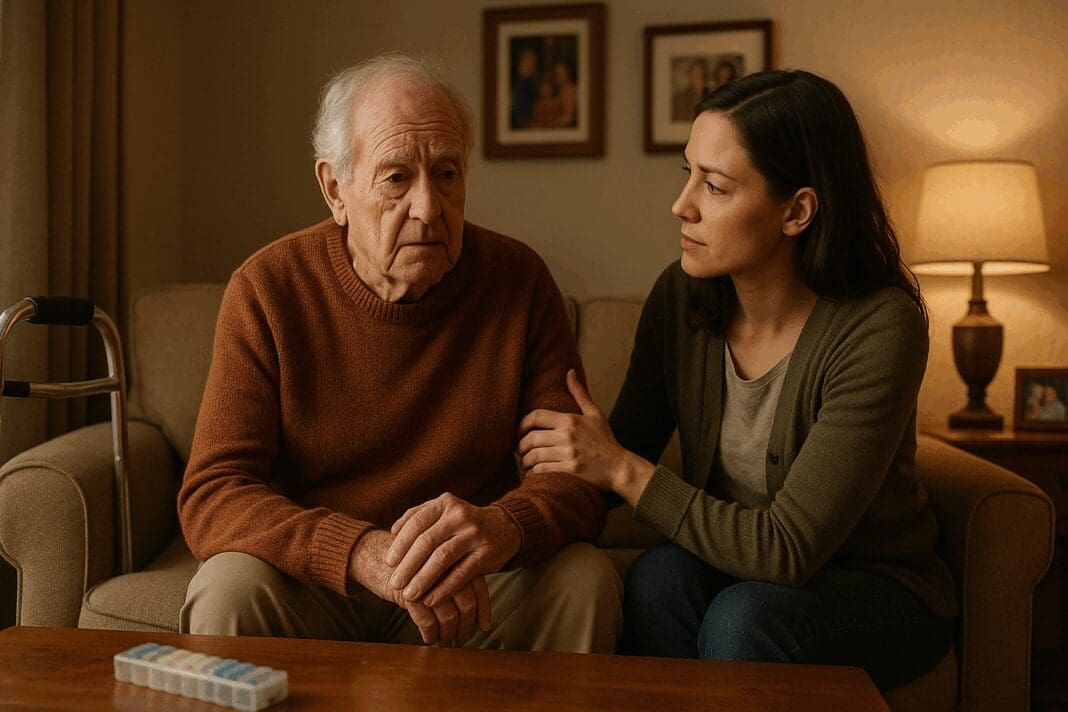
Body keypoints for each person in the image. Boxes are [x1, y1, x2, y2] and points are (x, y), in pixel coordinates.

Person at [517, 69, 957, 690]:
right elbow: (621, 447)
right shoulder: (681, 294)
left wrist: (621, 468)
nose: (683, 205)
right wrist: (512, 502)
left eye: (716, 186)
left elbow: (786, 549)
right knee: (657, 579)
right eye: (688, 173)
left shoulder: (881, 327)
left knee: (745, 618)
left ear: (797, 210)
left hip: (874, 588)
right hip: (734, 571)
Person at [178, 53, 621, 653]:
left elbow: (578, 478)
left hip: (473, 585)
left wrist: (500, 526)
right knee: (228, 589)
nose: (429, 207)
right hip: (320, 585)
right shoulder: (268, 289)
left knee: (585, 579)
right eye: (396, 178)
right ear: (336, 189)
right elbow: (215, 494)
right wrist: (359, 551)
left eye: (446, 174)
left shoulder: (519, 281)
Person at [672, 58, 708, 123]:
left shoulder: (711, 96)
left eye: (699, 76)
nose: (696, 79)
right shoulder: (679, 98)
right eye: (694, 74)